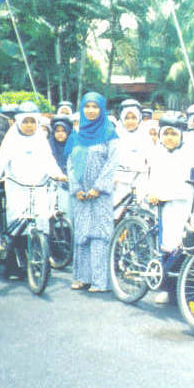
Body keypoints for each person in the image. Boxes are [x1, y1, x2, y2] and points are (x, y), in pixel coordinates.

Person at [0, 102, 66, 253]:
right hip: (17, 188)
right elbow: (1, 161)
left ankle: (39, 259)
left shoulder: (41, 139)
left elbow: (49, 161)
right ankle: (14, 262)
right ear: (19, 122)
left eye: (32, 122)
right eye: (25, 122)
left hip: (38, 187)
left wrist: (57, 174)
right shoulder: (11, 139)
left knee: (40, 221)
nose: (29, 126)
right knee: (18, 224)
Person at [67, 92, 118, 293]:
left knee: (100, 235)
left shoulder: (109, 132)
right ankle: (81, 277)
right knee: (82, 233)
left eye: (95, 107)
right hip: (80, 194)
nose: (90, 110)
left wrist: (98, 187)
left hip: (101, 194)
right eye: (87, 106)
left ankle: (99, 281)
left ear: (102, 109)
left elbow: (112, 162)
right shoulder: (76, 134)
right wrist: (76, 188)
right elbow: (70, 163)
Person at [145, 111, 194, 304]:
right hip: (166, 208)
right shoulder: (157, 154)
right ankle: (166, 289)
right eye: (165, 133)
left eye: (173, 134)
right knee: (167, 247)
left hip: (187, 207)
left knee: (190, 247)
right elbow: (150, 179)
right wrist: (151, 193)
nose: (169, 138)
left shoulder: (189, 155)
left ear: (181, 135)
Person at [114, 99, 150, 209]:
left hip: (140, 180)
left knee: (140, 210)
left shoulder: (145, 135)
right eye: (127, 118)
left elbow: (152, 158)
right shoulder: (115, 136)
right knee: (120, 213)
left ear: (139, 118)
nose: (130, 121)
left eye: (133, 118)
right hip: (119, 181)